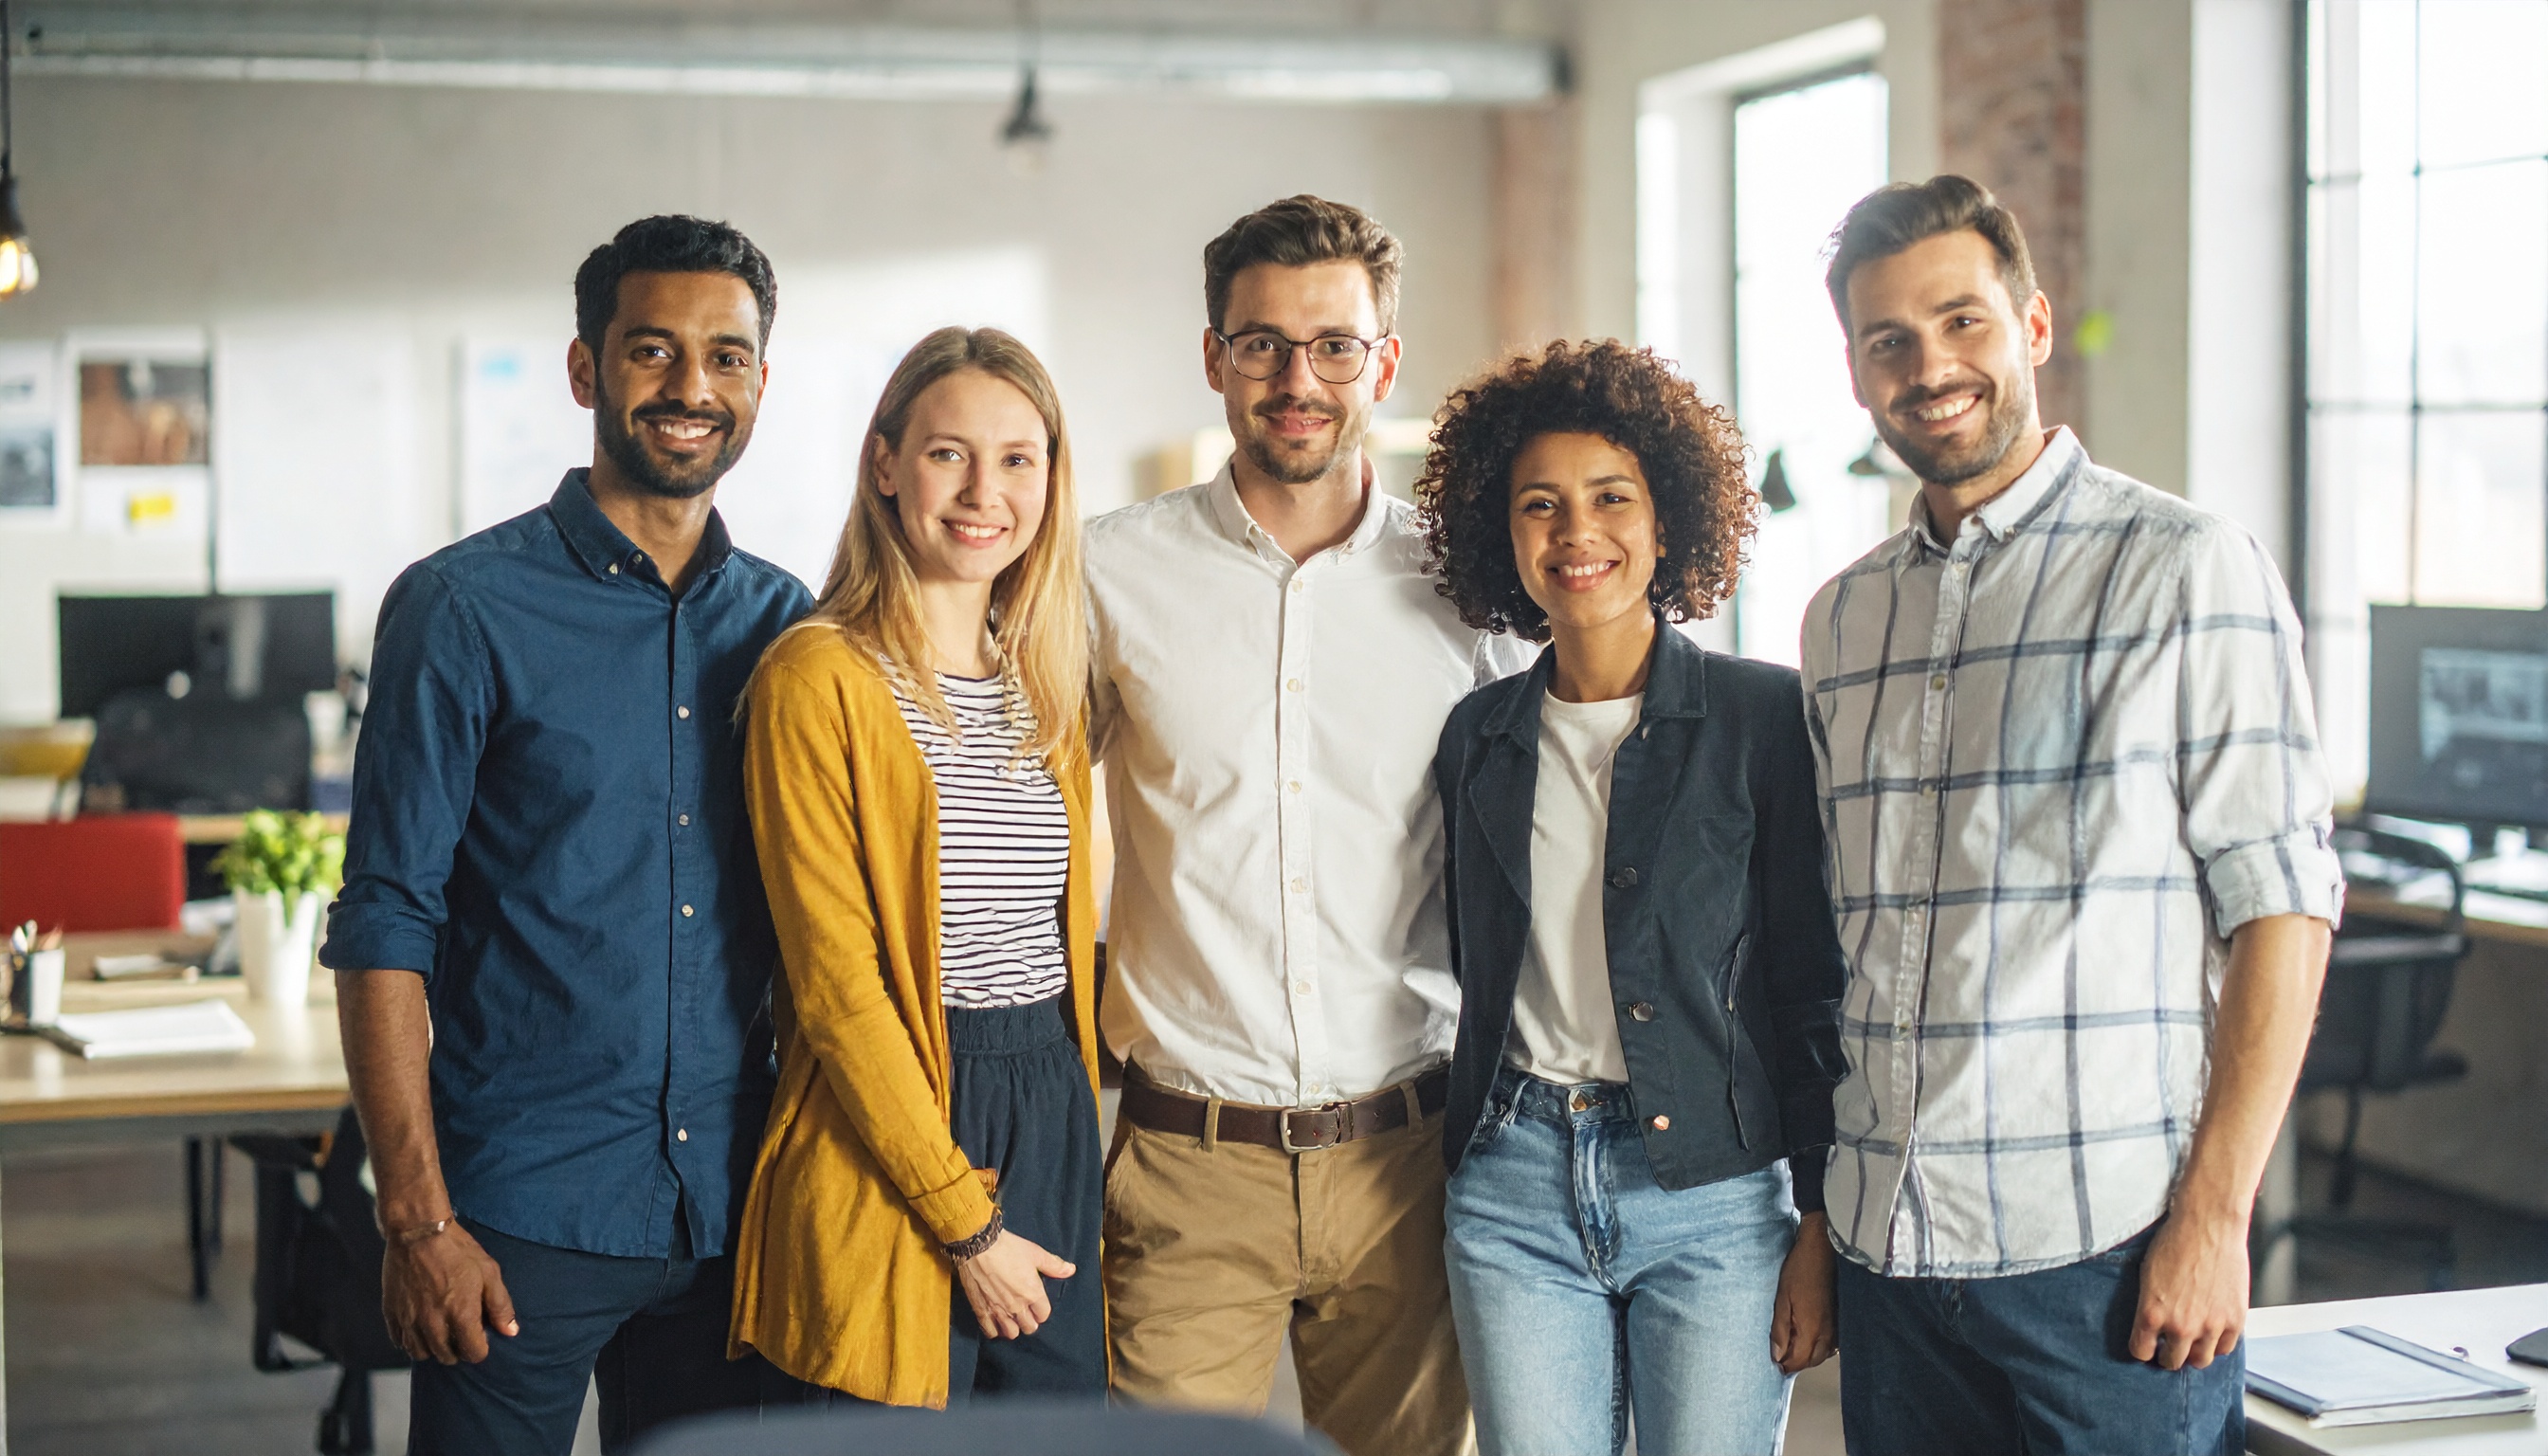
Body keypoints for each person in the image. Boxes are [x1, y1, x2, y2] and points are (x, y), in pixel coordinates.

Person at [1805, 174, 2340, 1456]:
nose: (1931, 367)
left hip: (2102, 1260)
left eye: (1963, 323)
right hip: (1891, 1258)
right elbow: (1840, 952)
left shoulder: (2183, 570)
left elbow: (2281, 905)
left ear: (2033, 327)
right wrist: (1827, 1222)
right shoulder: (1841, 620)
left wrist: (2217, 1219)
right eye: (1891, 342)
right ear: (1857, 372)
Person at [321, 214, 811, 1455]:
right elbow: (384, 924)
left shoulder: (791, 626)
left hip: (734, 1216)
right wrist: (417, 1223)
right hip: (515, 1221)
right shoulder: (461, 609)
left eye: (727, 357)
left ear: (761, 379)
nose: (692, 388)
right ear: (587, 369)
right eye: (653, 351)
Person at [1085, 194, 1527, 1456]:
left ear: (1385, 362)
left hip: (1414, 1159)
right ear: (1214, 356)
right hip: (1184, 1165)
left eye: (1334, 345)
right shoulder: (1105, 574)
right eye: (1262, 343)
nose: (1298, 378)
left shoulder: (1475, 584)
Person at [1418, 338, 1847, 1456]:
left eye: (1612, 499)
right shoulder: (1480, 738)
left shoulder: (1762, 720)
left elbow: (1812, 985)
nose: (1576, 534)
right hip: (1513, 1190)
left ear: (1668, 524)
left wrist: (1818, 1218)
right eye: (1539, 506)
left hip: (1715, 1197)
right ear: (1499, 533)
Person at [730, 326, 1105, 1410]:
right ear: (885, 465)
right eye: (948, 453)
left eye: (1018, 458)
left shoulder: (1045, 680)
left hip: (1049, 1100)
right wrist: (965, 1219)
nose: (984, 489)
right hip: (901, 1111)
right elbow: (839, 990)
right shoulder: (819, 676)